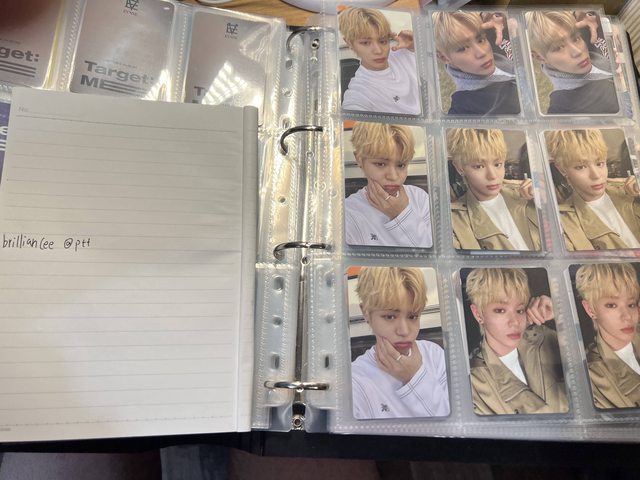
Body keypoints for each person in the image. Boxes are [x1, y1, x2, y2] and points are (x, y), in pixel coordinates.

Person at [465, 268, 568, 415]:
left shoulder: (545, 338)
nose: (514, 322)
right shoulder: (474, 383)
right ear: (478, 313)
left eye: (519, 310)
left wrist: (561, 313)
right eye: (500, 310)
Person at [351, 267, 450, 419]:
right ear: (366, 313)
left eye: (412, 316)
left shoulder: (435, 356)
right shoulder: (354, 380)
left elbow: (456, 426)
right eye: (390, 317)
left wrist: (414, 376)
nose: (404, 331)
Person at [545, 129, 640, 250]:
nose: (596, 175)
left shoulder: (631, 192)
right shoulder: (564, 221)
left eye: (600, 163)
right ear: (562, 169)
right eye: (581, 167)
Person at [447, 128, 539, 250]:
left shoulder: (529, 195)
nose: (492, 175)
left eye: (498, 164)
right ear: (459, 167)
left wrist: (543, 202)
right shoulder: (455, 220)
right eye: (479, 166)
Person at [345, 122, 432, 248]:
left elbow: (434, 253)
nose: (393, 176)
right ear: (359, 159)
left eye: (401, 165)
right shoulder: (347, 213)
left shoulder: (420, 199)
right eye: (380, 164)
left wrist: (401, 213)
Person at [525, 10, 619, 114]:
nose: (578, 51)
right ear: (539, 57)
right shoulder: (564, 109)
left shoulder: (589, 29)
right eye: (559, 47)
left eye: (576, 38)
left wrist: (610, 22)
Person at [575, 263, 640, 409]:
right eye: (612, 305)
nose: (627, 316)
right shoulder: (592, 376)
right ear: (590, 309)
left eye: (631, 304)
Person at [432, 11, 520, 115]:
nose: (482, 52)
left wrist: (511, 19)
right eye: (463, 48)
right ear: (444, 58)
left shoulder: (496, 36)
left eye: (481, 40)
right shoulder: (464, 110)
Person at [338, 7, 420, 115]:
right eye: (365, 43)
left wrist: (419, 44)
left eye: (382, 41)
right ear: (349, 42)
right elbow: (353, 107)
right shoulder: (358, 94)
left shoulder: (406, 52)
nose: (378, 51)